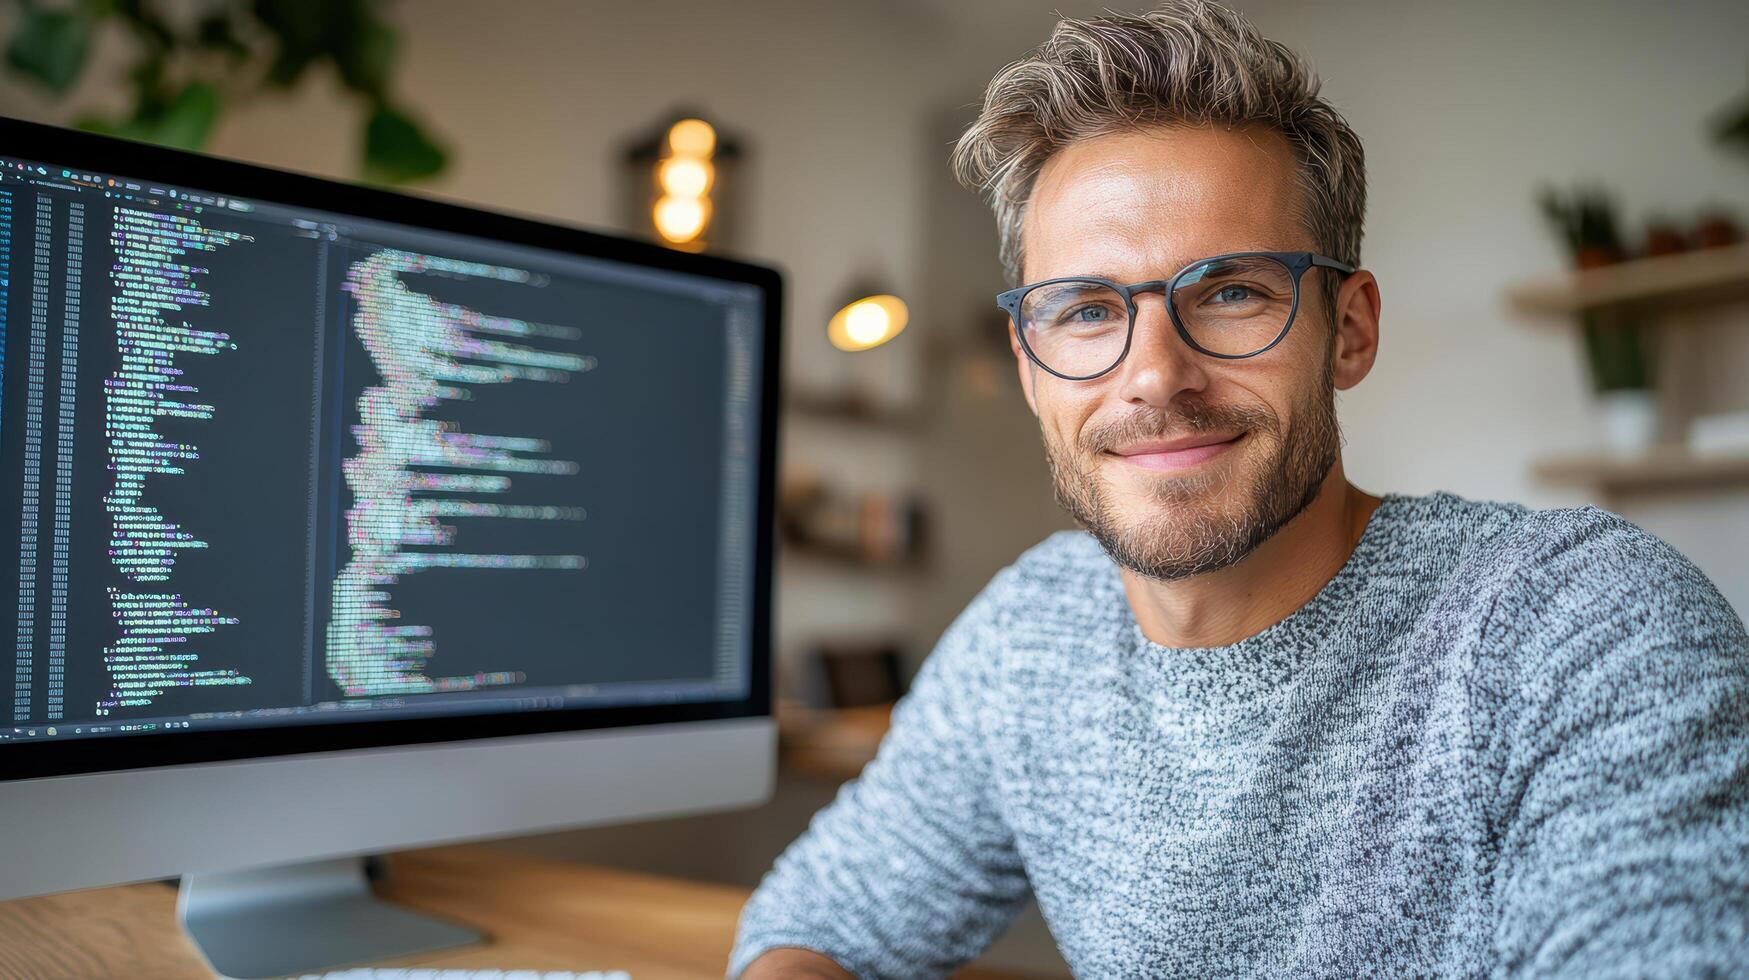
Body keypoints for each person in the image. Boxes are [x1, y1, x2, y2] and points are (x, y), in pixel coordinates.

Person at [730, 3, 1749, 977]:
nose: (1155, 375)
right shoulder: (1029, 638)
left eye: (1230, 292)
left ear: (1348, 329)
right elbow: (816, 928)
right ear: (1031, 364)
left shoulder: (1583, 623)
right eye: (1086, 309)